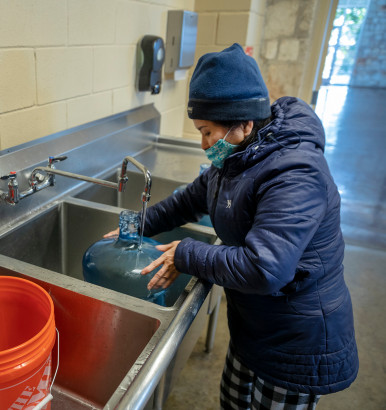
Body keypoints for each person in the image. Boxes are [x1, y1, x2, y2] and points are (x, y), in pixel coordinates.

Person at [137, 43, 358, 409]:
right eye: (200, 131)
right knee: (234, 401)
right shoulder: (239, 154)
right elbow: (191, 199)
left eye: (208, 131)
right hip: (256, 327)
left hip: (296, 340)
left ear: (243, 123)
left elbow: (264, 268)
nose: (205, 143)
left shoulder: (294, 173)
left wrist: (186, 253)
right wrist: (138, 225)